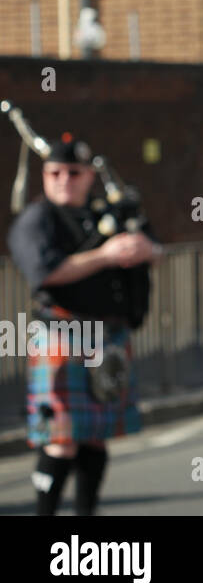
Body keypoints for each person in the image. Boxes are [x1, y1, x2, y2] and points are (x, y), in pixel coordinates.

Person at [6, 132, 157, 515]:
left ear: (89, 175)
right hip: (62, 334)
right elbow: (47, 272)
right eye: (55, 172)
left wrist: (147, 249)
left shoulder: (109, 211)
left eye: (73, 173)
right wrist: (106, 256)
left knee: (95, 437)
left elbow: (154, 246)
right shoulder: (38, 218)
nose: (63, 180)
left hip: (107, 337)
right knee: (60, 440)